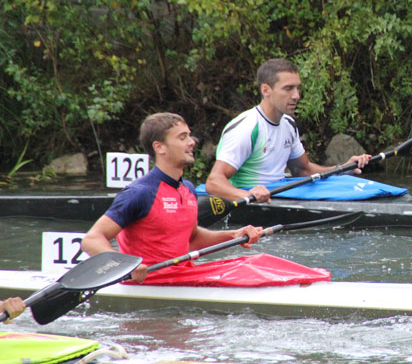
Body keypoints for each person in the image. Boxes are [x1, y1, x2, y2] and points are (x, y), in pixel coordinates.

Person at [82, 113, 264, 284]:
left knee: (259, 264)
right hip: (151, 283)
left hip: (183, 276)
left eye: (189, 136)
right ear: (159, 147)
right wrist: (124, 266)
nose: (192, 142)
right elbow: (92, 239)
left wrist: (234, 235)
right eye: (182, 137)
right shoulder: (139, 193)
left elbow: (191, 239)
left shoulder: (188, 189)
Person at [205, 58, 371, 203]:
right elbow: (213, 182)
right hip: (250, 199)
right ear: (266, 90)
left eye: (297, 88)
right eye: (288, 88)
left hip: (277, 194)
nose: (296, 95)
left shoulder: (288, 124)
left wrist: (342, 169)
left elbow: (302, 170)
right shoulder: (247, 128)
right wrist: (247, 194)